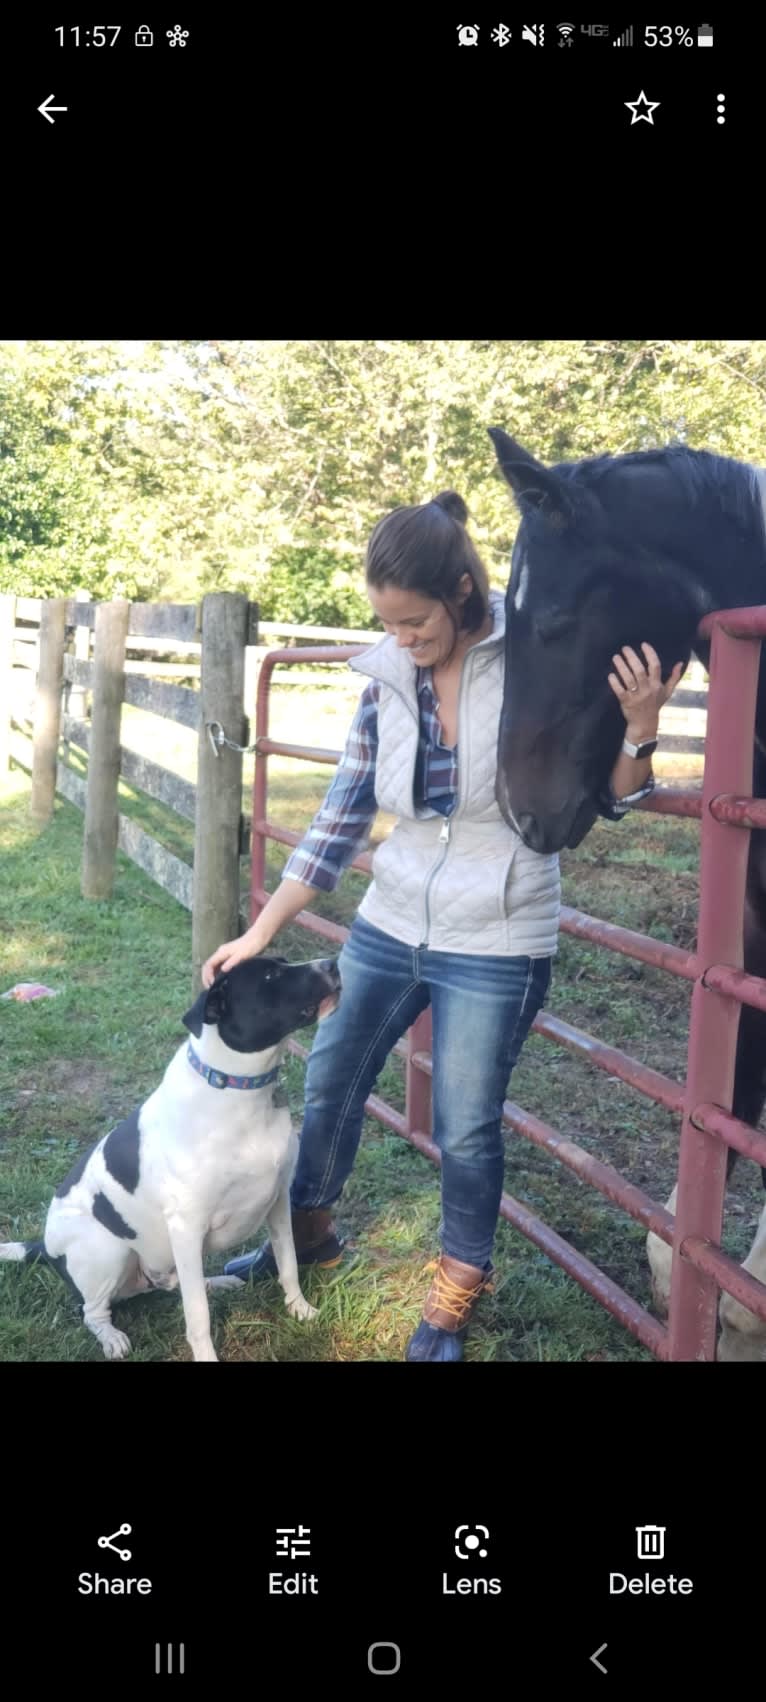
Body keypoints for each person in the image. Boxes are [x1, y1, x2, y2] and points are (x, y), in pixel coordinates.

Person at [202, 492, 681, 1362]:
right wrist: (262, 932)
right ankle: (306, 1235)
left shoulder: (538, 660)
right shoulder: (385, 676)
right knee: (333, 1076)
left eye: (415, 622)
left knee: (465, 1123)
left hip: (499, 931)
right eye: (386, 622)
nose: (402, 639)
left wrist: (641, 729)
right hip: (392, 915)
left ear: (464, 592)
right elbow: (340, 819)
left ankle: (455, 1295)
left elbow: (608, 799)